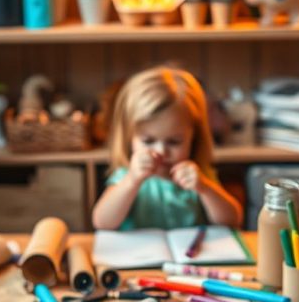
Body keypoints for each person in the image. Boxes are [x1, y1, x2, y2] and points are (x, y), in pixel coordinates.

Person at [92, 66, 243, 230]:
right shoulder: (126, 176)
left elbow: (232, 220)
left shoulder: (199, 175)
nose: (161, 151)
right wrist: (132, 181)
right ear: (129, 138)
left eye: (174, 142)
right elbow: (102, 222)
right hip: (139, 254)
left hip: (191, 253)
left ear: (194, 138)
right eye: (148, 141)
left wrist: (205, 188)